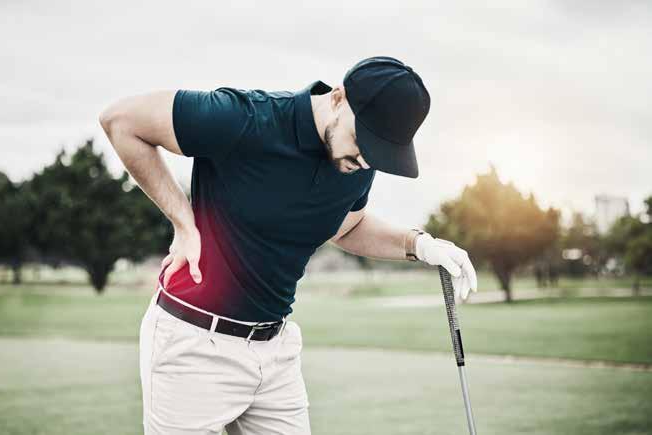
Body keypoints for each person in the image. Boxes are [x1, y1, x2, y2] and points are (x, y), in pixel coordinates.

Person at [99, 55, 478, 435]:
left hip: (275, 352)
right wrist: (183, 222)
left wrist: (420, 244)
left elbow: (347, 228)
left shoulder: (357, 165)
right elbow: (122, 121)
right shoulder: (245, 118)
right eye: (363, 142)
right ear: (338, 98)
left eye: (379, 153)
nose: (365, 160)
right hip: (193, 343)